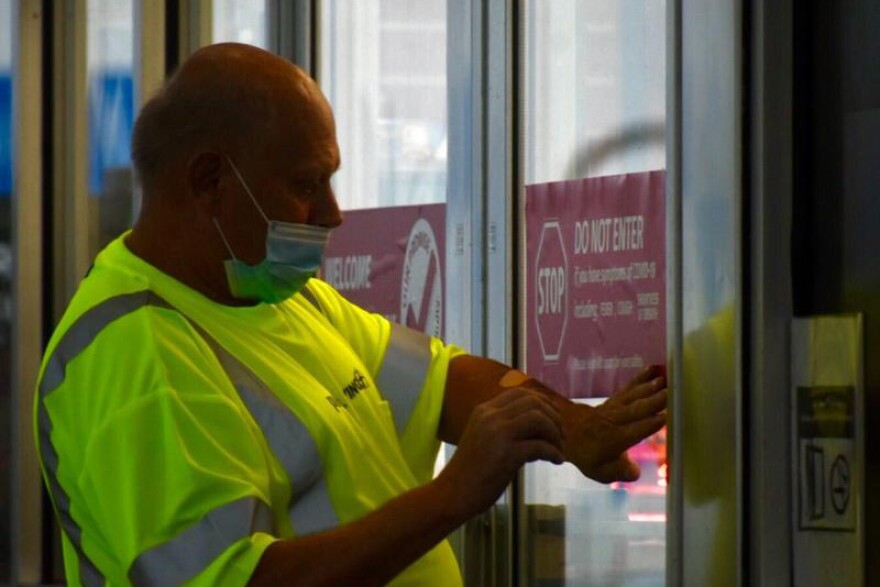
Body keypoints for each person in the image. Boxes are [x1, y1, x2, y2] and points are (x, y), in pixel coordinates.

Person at [34, 43, 667, 587]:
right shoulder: (133, 354)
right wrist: (453, 496)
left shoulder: (276, 296)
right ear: (209, 180)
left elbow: (443, 383)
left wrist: (572, 428)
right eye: (307, 185)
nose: (332, 215)